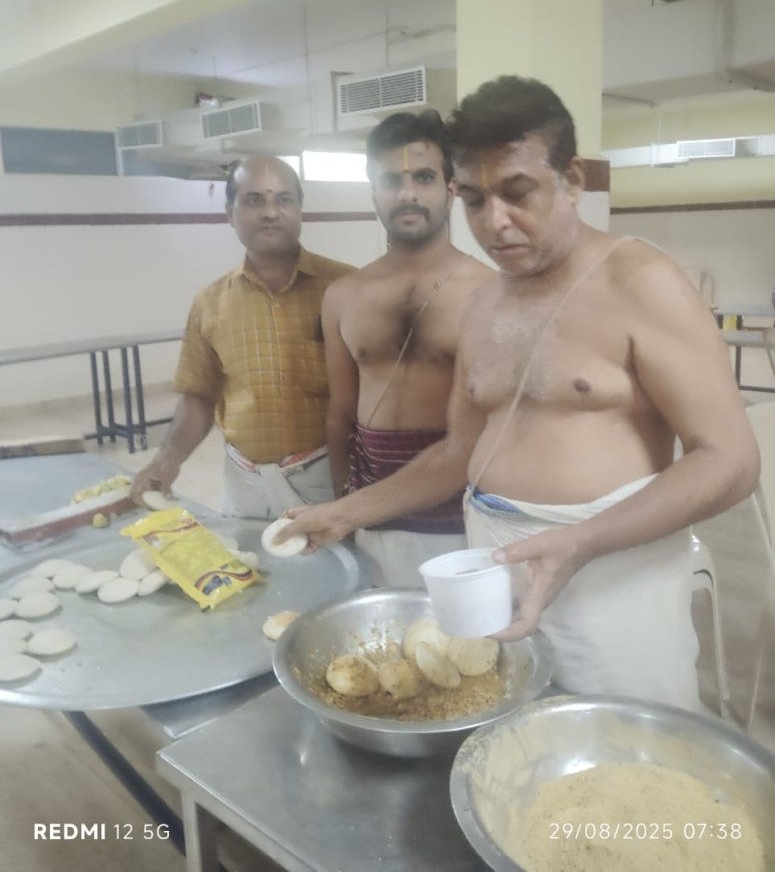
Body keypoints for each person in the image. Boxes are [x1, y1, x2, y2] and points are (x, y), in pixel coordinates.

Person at [279, 76, 760, 710]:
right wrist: (346, 512)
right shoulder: (485, 304)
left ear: (573, 181)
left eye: (517, 193)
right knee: (517, 732)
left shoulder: (640, 280)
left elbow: (731, 460)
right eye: (474, 199)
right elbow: (459, 452)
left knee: (624, 742)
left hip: (611, 576)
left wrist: (580, 543)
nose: (494, 223)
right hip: (496, 572)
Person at [131, 155, 354, 519]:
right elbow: (199, 395)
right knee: (247, 557)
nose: (270, 212)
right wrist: (167, 459)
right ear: (229, 213)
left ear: (300, 209)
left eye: (283, 199)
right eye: (254, 200)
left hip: (331, 477)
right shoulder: (210, 303)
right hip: (245, 485)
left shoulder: (348, 288)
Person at [322, 110, 492, 586]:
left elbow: (491, 432)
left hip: (462, 517)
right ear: (374, 192)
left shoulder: (490, 294)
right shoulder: (343, 296)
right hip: (370, 512)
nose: (408, 193)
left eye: (424, 177)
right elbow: (340, 414)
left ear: (451, 188)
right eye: (392, 180)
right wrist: (343, 502)